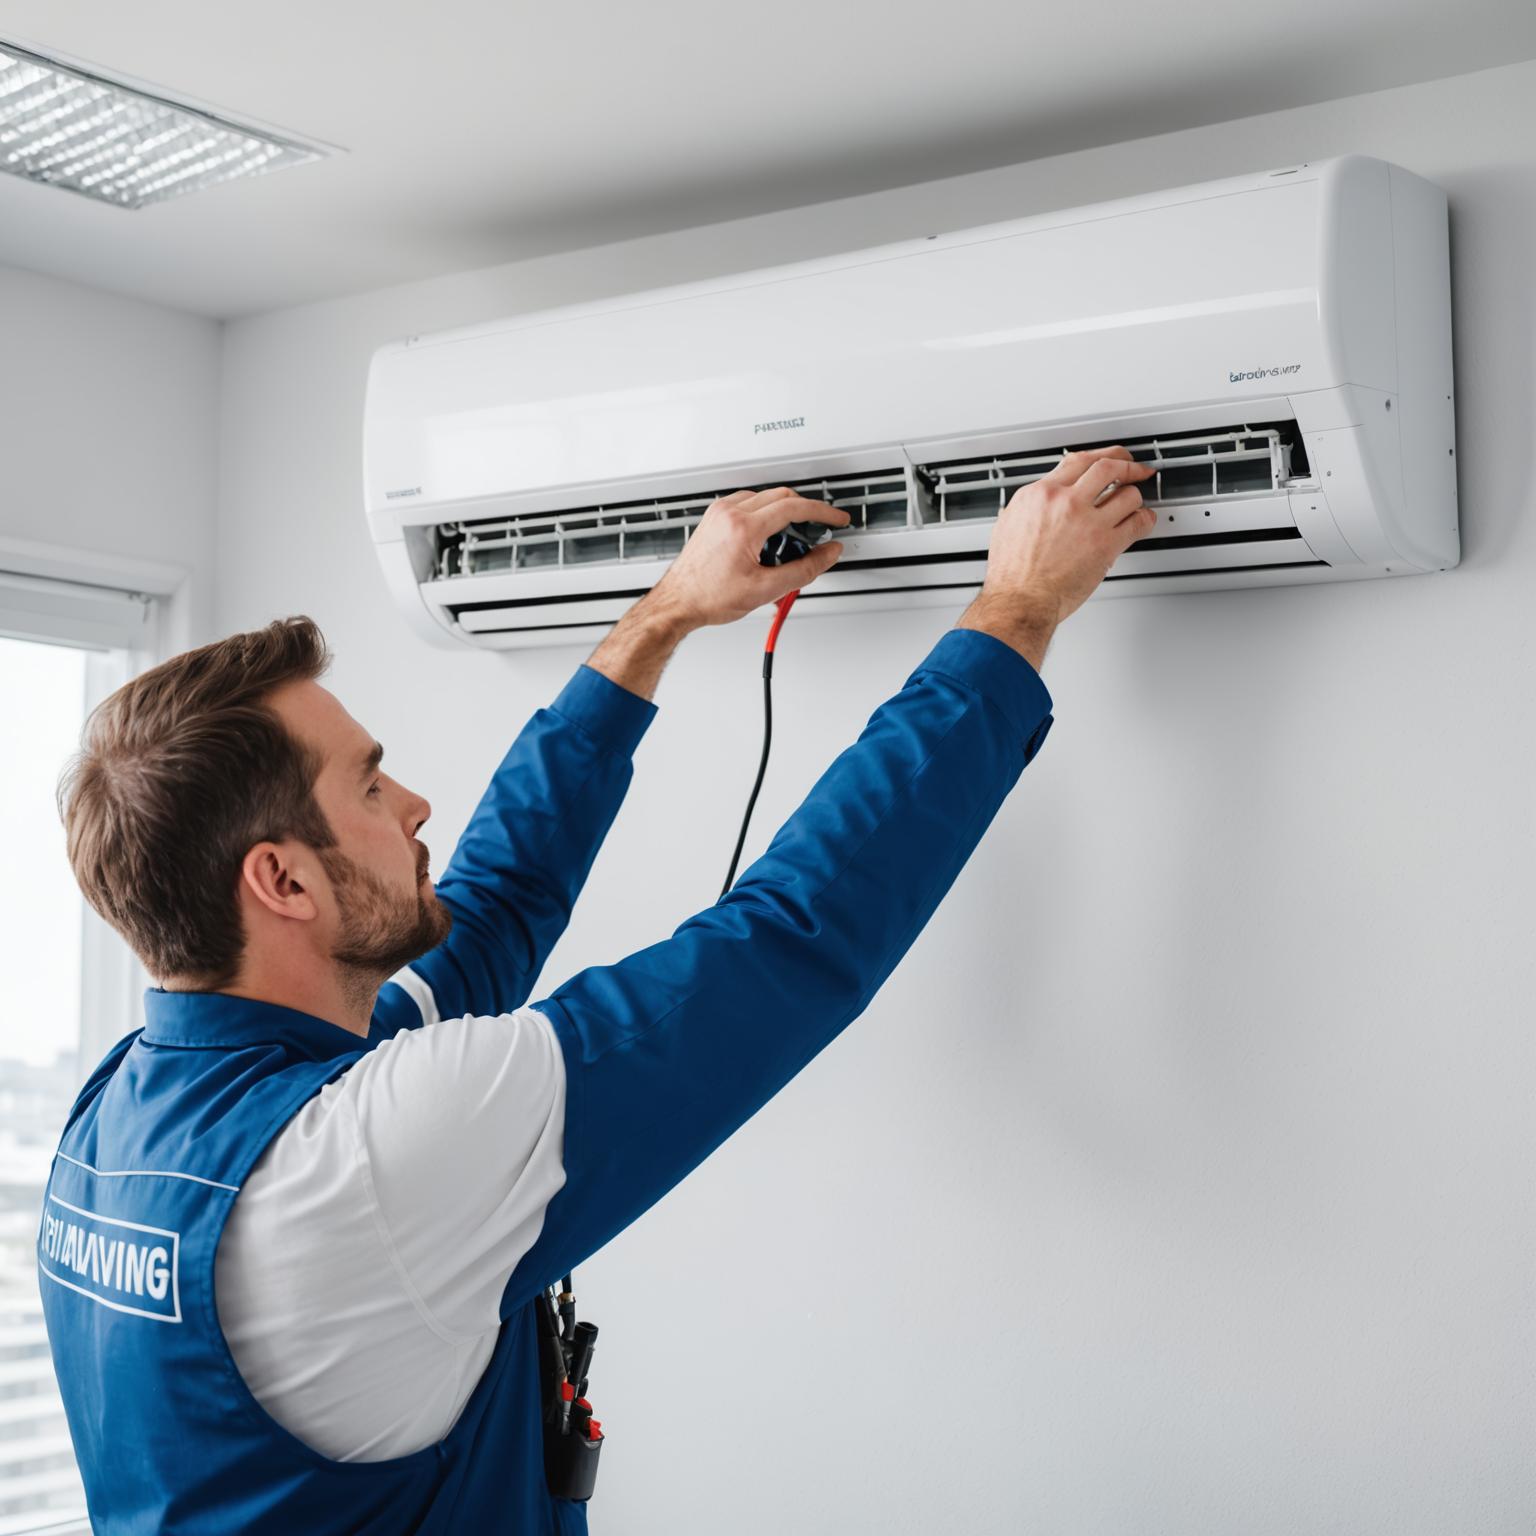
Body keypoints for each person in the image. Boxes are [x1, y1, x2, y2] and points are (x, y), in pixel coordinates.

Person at [39, 448, 1157, 1533]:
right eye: (370, 787)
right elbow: (785, 944)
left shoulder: (124, 1118)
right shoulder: (363, 1168)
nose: (417, 804)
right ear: (280, 881)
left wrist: (665, 614)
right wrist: (1015, 611)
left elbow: (493, 904)